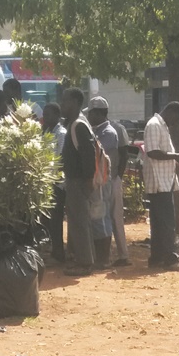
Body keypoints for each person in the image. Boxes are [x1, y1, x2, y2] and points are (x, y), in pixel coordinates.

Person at [144, 102, 179, 271]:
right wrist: (176, 156)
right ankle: (171, 259)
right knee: (167, 222)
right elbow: (152, 152)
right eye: (175, 119)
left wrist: (175, 160)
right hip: (159, 181)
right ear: (170, 111)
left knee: (158, 224)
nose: (174, 123)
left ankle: (156, 258)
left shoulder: (161, 126)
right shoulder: (154, 125)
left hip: (164, 180)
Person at [87, 97, 130, 267]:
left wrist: (117, 177)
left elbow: (123, 154)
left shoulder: (111, 131)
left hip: (110, 179)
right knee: (103, 216)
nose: (89, 117)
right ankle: (110, 256)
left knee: (109, 217)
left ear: (98, 113)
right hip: (105, 179)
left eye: (91, 113)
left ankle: (119, 256)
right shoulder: (97, 130)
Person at [60, 87, 97, 276]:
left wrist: (88, 180)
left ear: (74, 102)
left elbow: (88, 154)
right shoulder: (76, 123)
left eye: (65, 101)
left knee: (79, 222)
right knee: (78, 221)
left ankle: (85, 263)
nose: (62, 104)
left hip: (78, 181)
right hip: (76, 180)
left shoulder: (78, 125)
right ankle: (84, 259)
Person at [41, 102, 67, 263]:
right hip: (46, 182)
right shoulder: (46, 132)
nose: (45, 117)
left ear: (57, 116)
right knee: (48, 219)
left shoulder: (61, 133)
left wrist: (53, 178)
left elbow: (60, 158)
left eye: (48, 114)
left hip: (57, 183)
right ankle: (53, 251)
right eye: (44, 114)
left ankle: (59, 254)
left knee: (56, 219)